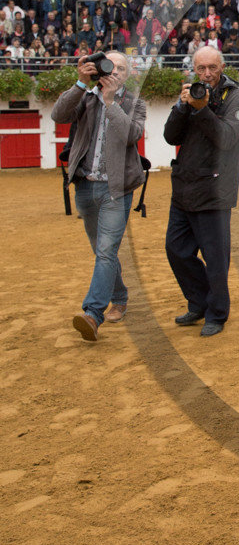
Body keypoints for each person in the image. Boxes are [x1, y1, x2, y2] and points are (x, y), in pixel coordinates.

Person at [51, 51, 146, 340]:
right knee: (102, 250)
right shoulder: (86, 96)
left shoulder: (134, 102)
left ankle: (93, 313)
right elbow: (58, 115)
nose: (113, 72)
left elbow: (132, 135)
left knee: (106, 251)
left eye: (120, 68)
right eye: (109, 66)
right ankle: (119, 295)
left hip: (116, 190)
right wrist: (80, 84)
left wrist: (110, 102)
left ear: (127, 75)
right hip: (85, 185)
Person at [163, 46, 239, 337]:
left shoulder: (236, 97)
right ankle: (199, 302)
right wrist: (181, 106)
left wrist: (202, 111)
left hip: (215, 190)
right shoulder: (192, 95)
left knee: (215, 259)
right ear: (194, 68)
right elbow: (170, 136)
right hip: (184, 187)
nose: (207, 74)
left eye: (212, 67)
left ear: (222, 66)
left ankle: (216, 314)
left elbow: (226, 139)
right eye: (201, 68)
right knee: (176, 250)